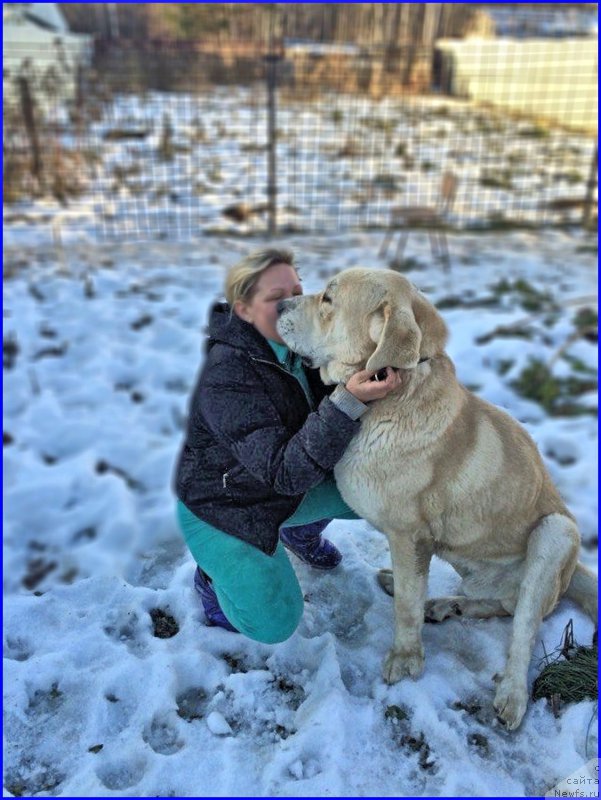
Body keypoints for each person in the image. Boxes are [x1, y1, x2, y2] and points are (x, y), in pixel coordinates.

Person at [173, 248, 400, 643]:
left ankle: (299, 532)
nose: (295, 303)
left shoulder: (302, 339)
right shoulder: (226, 375)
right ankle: (213, 578)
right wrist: (347, 400)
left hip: (286, 486)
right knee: (275, 623)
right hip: (227, 506)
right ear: (244, 310)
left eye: (298, 289)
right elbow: (284, 471)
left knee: (386, 489)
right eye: (278, 298)